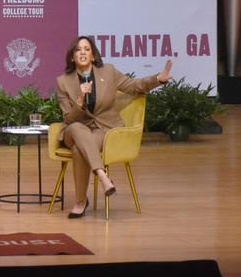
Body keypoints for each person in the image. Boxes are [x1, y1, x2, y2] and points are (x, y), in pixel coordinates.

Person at [55, 35, 173, 218]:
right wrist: (80, 101)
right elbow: (69, 119)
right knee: (77, 129)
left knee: (80, 150)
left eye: (87, 49)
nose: (83, 52)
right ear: (72, 57)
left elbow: (134, 86)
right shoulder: (63, 81)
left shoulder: (108, 72)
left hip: (103, 130)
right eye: (78, 50)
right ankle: (102, 177)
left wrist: (158, 79)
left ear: (93, 56)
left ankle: (80, 202)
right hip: (74, 129)